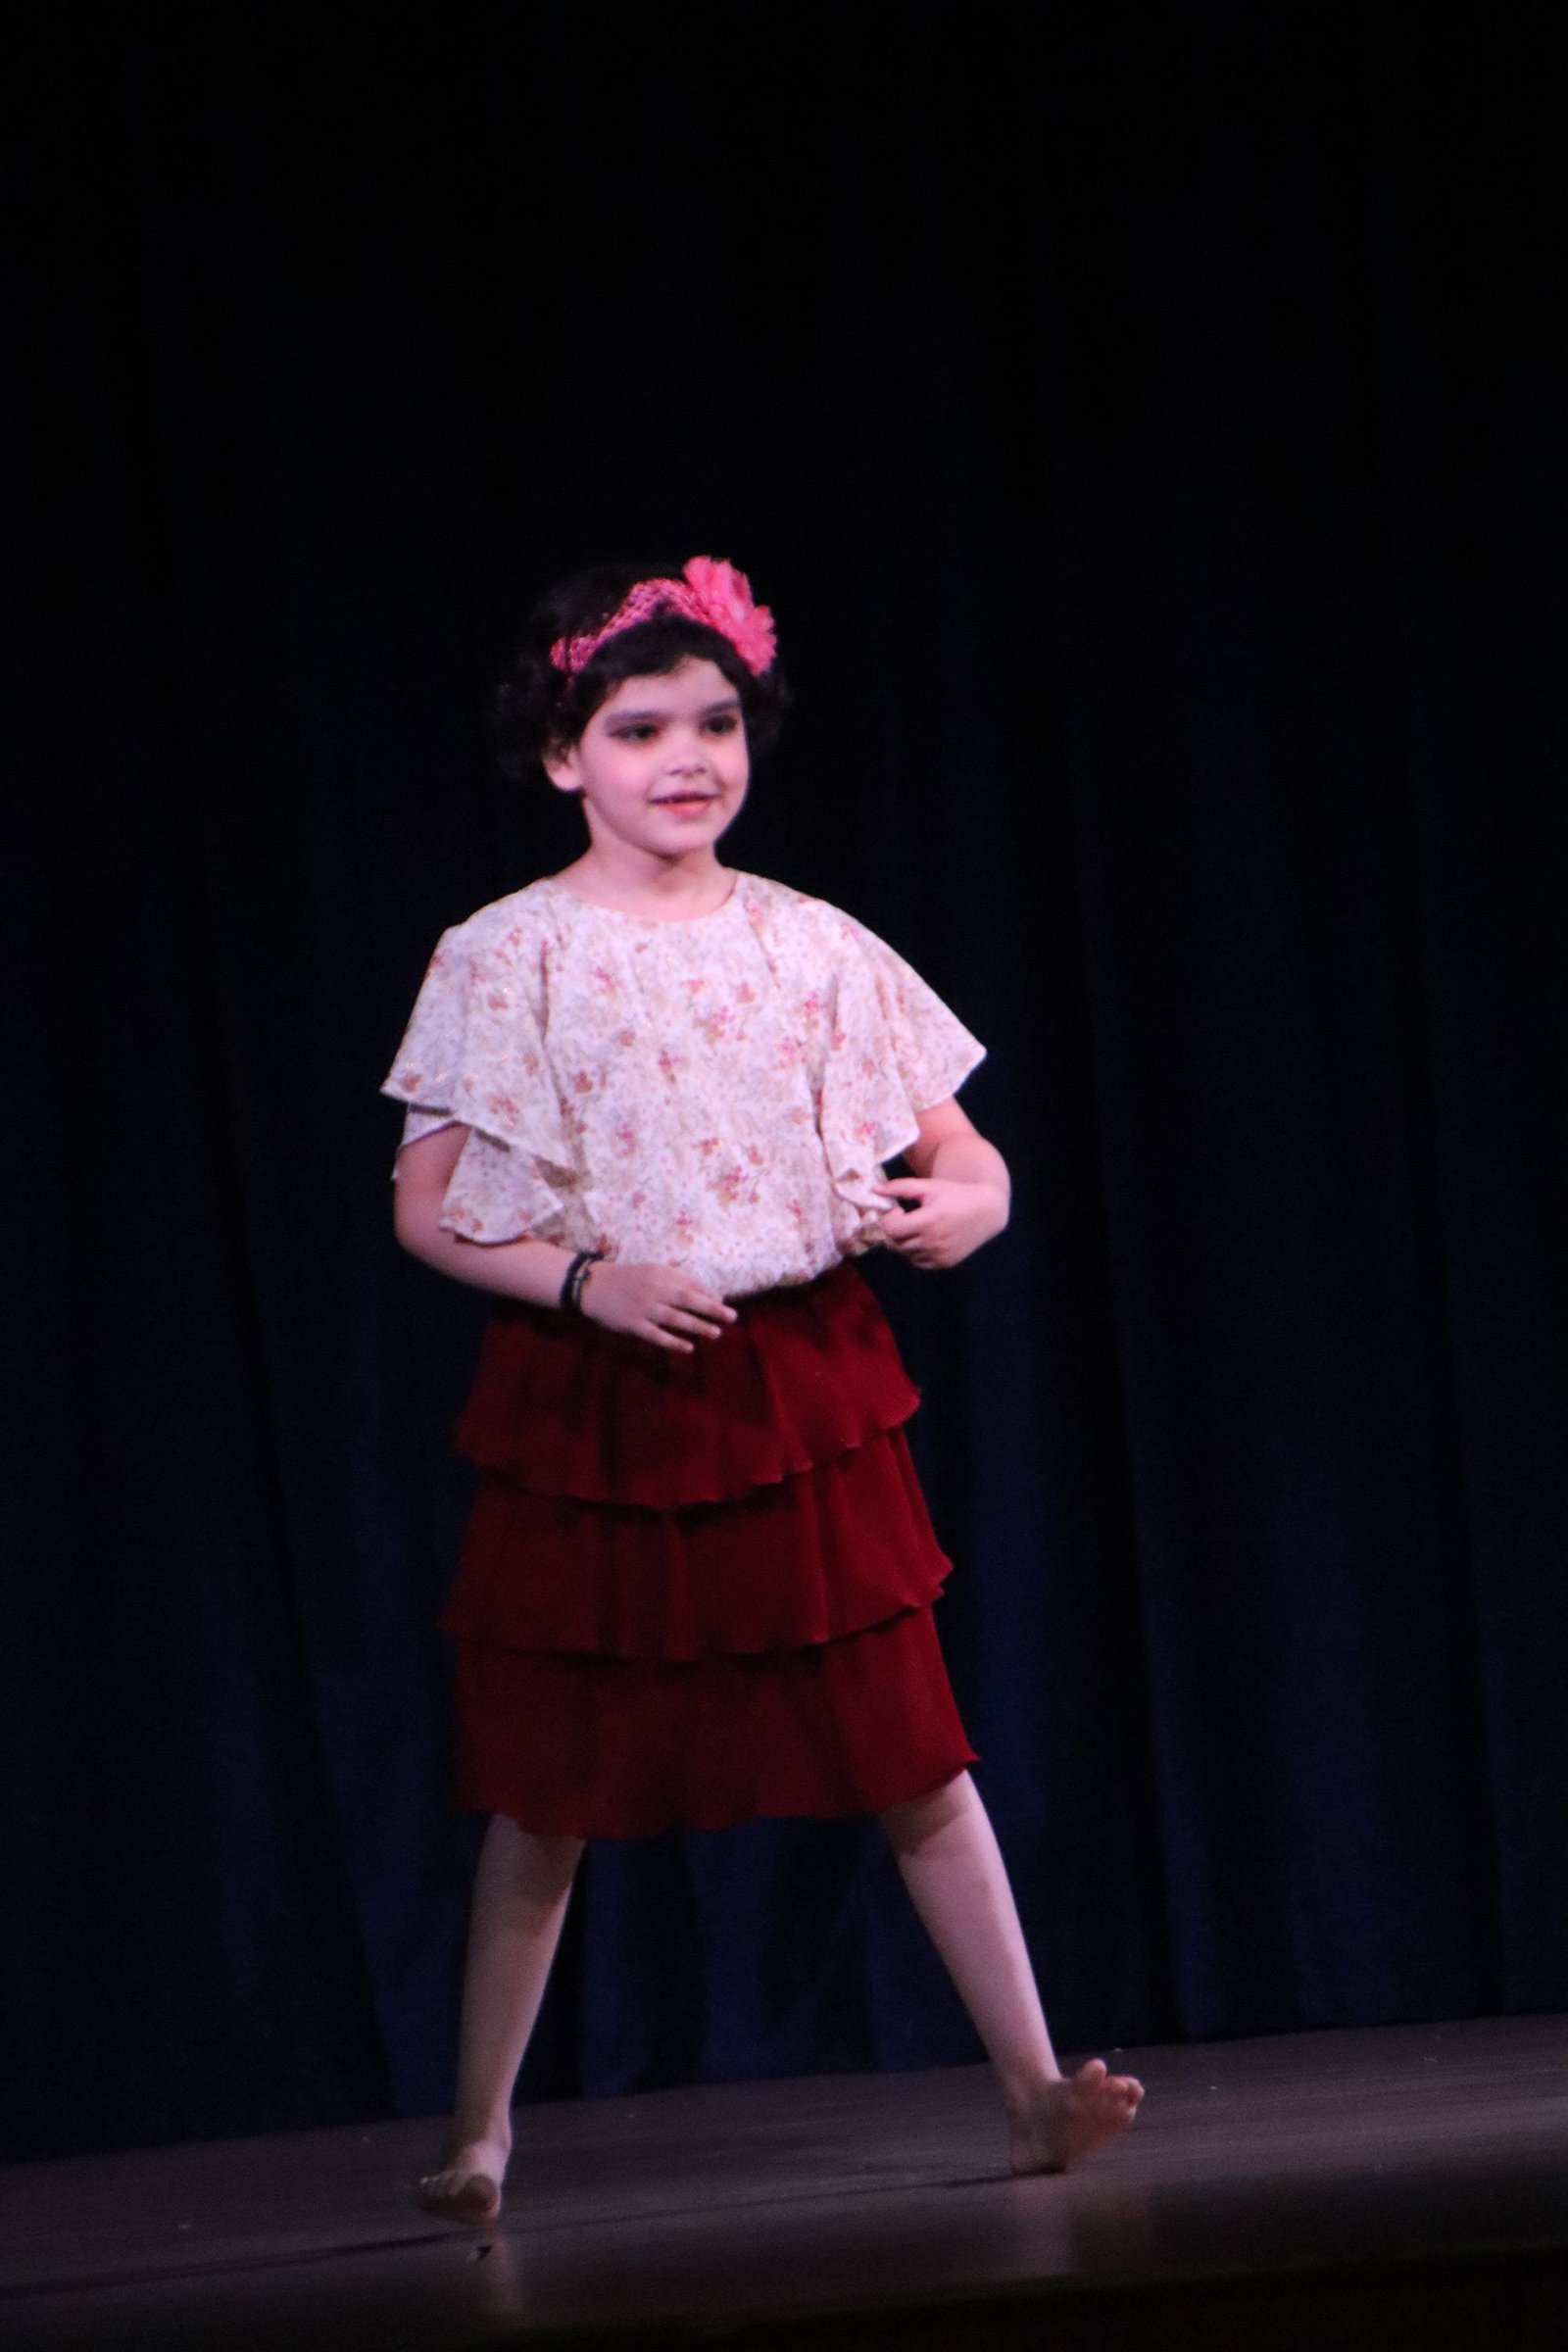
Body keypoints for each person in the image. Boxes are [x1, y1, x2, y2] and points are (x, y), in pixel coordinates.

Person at [382, 556, 1143, 2224]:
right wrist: (585, 1280)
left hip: (800, 1387)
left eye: (715, 723)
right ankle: (482, 2134)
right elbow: (427, 1212)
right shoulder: (508, 954)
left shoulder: (813, 943)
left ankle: (1034, 2090)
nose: (688, 756)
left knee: (914, 1751)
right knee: (548, 1784)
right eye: (639, 726)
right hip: (599, 1392)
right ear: (563, 755)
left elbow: (970, 1157)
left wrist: (968, 1205)